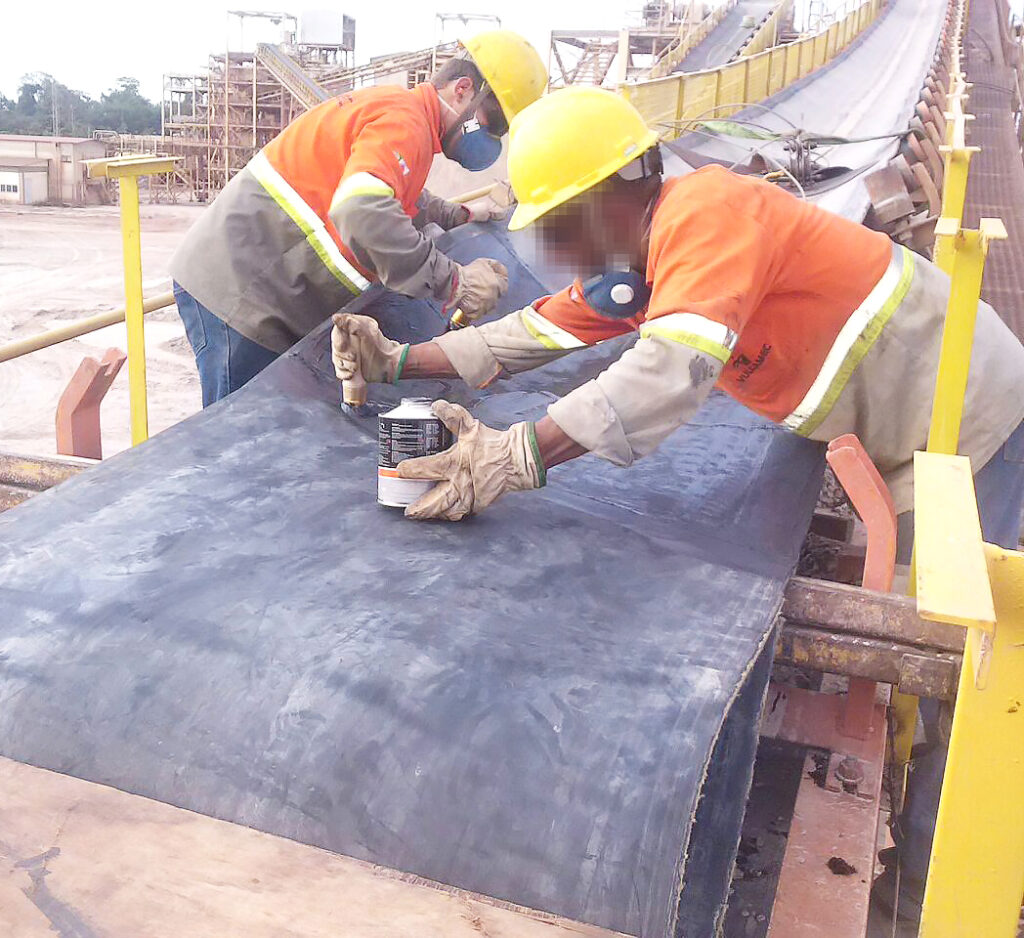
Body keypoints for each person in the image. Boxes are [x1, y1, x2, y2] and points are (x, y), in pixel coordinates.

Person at [332, 86, 1024, 924]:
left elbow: (668, 372)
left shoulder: (706, 212)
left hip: (968, 424)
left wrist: (514, 456)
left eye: (567, 223)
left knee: (977, 669)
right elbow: (536, 332)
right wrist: (401, 361)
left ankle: (948, 896)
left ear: (621, 188)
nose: (564, 251)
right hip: (900, 428)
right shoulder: (643, 252)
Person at [170, 30, 547, 406]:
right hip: (239, 295)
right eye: (495, 122)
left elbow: (398, 195)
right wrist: (454, 281)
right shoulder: (405, 123)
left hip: (254, 287)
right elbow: (362, 209)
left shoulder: (406, 117)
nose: (494, 138)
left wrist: (458, 214)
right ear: (463, 90)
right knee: (239, 439)